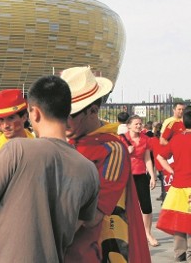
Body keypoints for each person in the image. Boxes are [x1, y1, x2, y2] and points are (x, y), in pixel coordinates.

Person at [0, 75, 99, 262]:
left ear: (33, 113)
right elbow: (80, 222)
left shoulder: (16, 149)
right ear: (67, 111)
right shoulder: (89, 169)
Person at [61, 66, 150, 263]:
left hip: (103, 249)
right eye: (59, 113)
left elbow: (93, 215)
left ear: (93, 111)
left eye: (70, 114)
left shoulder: (111, 148)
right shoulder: (65, 142)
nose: (63, 121)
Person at [156, 109, 191, 262]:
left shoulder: (176, 139)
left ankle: (180, 253)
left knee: (179, 220)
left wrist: (171, 171)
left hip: (178, 185)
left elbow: (160, 156)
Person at [119, 115, 159, 247]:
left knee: (146, 206)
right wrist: (126, 151)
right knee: (126, 206)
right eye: (136, 124)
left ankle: (147, 233)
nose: (139, 126)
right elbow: (117, 158)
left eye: (140, 124)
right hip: (126, 176)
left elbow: (147, 158)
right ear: (129, 125)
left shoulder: (145, 139)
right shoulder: (122, 138)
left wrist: (152, 176)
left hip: (141, 174)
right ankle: (127, 234)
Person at [0, 89, 34, 155]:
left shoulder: (34, 138)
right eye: (1, 119)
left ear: (24, 117)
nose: (5, 126)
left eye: (11, 118)